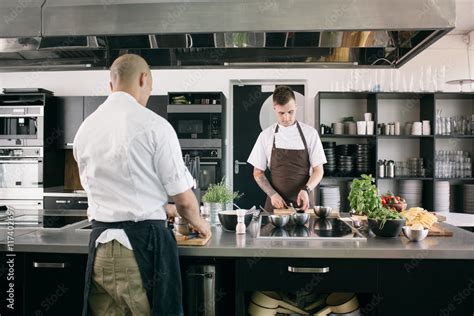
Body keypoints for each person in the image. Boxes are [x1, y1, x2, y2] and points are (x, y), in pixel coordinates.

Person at [73, 53, 210, 316]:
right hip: (140, 253)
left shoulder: (85, 129)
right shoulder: (155, 126)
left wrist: (161, 208)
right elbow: (184, 200)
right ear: (143, 79)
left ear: (111, 85)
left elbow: (121, 191)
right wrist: (201, 224)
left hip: (100, 249)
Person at [247, 86, 326, 212]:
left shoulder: (310, 134)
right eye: (281, 113)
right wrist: (272, 194)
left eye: (290, 112)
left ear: (296, 106)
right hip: (276, 207)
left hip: (303, 206)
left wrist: (306, 190)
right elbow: (258, 173)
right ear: (274, 108)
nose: (286, 118)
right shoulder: (266, 136)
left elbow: (319, 171)